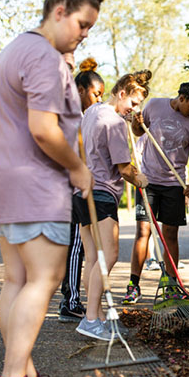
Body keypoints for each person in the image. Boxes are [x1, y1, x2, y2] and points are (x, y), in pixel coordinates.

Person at [0, 0, 104, 377]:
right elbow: (45, 130)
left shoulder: (16, 47)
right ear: (60, 10)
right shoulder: (45, 57)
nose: (84, 35)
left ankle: (24, 373)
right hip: (33, 186)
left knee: (17, 280)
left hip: (1, 182)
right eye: (82, 24)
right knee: (45, 281)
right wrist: (77, 167)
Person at [74, 70, 151, 340]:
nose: (133, 110)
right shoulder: (115, 123)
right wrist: (140, 178)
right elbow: (123, 168)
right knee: (110, 254)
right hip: (101, 193)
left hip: (80, 193)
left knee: (93, 258)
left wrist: (127, 119)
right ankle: (91, 320)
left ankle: (100, 318)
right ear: (121, 94)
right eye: (132, 103)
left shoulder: (92, 112)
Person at [123, 82, 189, 303]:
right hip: (148, 180)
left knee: (170, 234)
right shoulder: (155, 106)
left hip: (174, 184)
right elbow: (138, 132)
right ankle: (134, 285)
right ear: (181, 98)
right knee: (144, 232)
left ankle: (171, 285)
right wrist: (138, 123)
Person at [58, 57, 105, 322]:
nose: (98, 99)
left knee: (77, 243)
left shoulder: (85, 116)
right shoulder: (71, 115)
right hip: (67, 186)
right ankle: (71, 301)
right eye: (95, 94)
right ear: (79, 90)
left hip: (76, 185)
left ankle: (71, 298)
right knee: (76, 243)